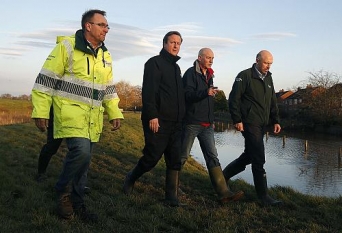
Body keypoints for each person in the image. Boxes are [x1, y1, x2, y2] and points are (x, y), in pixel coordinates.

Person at [31, 9, 123, 222]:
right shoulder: (67, 47)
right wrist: (41, 111)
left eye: (107, 26)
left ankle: (78, 203)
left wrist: (114, 112)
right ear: (88, 26)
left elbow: (108, 87)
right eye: (102, 25)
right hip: (69, 115)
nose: (106, 29)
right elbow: (45, 80)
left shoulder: (105, 55)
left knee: (85, 162)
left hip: (93, 118)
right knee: (80, 153)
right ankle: (62, 190)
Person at [122, 31, 186, 207]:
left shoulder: (176, 68)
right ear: (164, 43)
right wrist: (152, 115)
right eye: (172, 42)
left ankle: (171, 197)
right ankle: (130, 178)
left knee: (175, 159)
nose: (175, 46)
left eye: (178, 43)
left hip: (176, 122)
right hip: (159, 120)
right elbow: (149, 91)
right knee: (151, 157)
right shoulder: (154, 63)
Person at [181, 48, 244, 203]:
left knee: (212, 157)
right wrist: (206, 92)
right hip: (191, 123)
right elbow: (186, 95)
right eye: (208, 57)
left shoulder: (209, 75)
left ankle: (224, 192)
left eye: (213, 58)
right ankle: (172, 188)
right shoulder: (190, 73)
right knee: (182, 156)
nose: (211, 60)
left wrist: (211, 118)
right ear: (199, 58)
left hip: (207, 124)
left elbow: (206, 99)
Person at [222, 50, 282, 206]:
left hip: (262, 123)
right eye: (266, 62)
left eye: (270, 63)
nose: (268, 66)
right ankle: (264, 197)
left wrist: (275, 120)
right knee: (259, 158)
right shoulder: (245, 75)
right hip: (249, 122)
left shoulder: (269, 78)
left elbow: (272, 101)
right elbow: (233, 99)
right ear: (257, 60)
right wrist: (237, 119)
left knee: (249, 155)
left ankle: (223, 176)